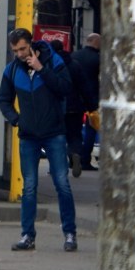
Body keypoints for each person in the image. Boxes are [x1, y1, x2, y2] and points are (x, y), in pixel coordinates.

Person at [0, 28, 77, 252]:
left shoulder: (54, 61)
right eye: (15, 50)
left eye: (23, 48)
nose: (20, 54)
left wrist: (41, 69)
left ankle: (70, 233)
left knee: (62, 183)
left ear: (31, 43)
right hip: (29, 135)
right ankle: (27, 235)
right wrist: (17, 120)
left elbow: (66, 88)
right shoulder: (12, 70)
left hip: (54, 132)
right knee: (29, 186)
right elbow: (3, 100)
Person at [50, 39, 90, 177]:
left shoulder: (50, 64)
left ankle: (58, 165)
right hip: (75, 107)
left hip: (57, 106)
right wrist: (90, 105)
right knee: (75, 135)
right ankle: (75, 153)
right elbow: (84, 86)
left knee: (57, 136)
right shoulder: (75, 65)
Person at [71, 33, 101, 171]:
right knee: (91, 129)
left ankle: (72, 157)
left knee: (74, 130)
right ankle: (85, 160)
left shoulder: (74, 56)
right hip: (92, 99)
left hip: (75, 98)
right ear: (96, 42)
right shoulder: (98, 59)